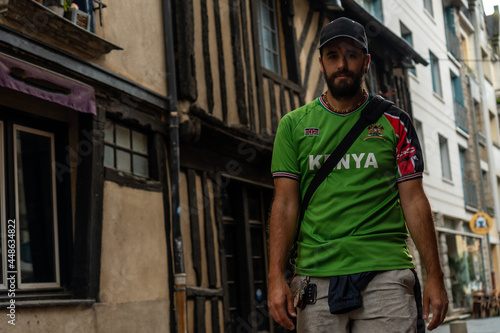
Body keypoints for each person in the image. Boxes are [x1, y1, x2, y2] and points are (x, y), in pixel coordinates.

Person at [267, 17, 448, 332]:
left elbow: (415, 200)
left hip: (386, 274)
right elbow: (284, 204)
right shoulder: (293, 125)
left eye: (351, 55)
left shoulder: (396, 122)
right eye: (333, 56)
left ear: (366, 62)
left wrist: (435, 275)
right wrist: (275, 278)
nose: (342, 64)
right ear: (321, 63)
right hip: (315, 279)